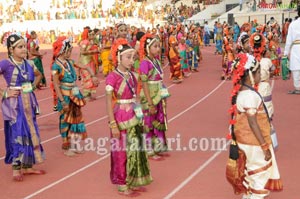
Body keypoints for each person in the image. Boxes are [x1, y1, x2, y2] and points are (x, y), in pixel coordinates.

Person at [229, 53, 283, 198]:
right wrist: (264, 146)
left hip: (245, 141)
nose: (261, 75)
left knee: (251, 175)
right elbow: (253, 123)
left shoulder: (242, 93)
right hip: (254, 143)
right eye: (258, 72)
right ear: (249, 76)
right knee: (260, 179)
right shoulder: (250, 96)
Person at [106, 38, 152, 196]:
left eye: (133, 57)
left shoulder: (133, 75)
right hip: (120, 117)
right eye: (128, 57)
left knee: (135, 149)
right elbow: (108, 102)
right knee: (121, 151)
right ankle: (121, 182)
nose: (132, 61)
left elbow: (136, 98)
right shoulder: (112, 77)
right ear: (118, 57)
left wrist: (141, 115)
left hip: (134, 114)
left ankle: (132, 179)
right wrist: (113, 124)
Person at [0, 34, 45, 181]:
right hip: (14, 104)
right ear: (11, 49)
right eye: (19, 47)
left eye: (24, 46)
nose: (24, 50)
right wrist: (5, 92)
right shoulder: (6, 64)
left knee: (30, 131)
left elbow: (39, 75)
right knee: (17, 132)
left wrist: (32, 86)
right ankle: (16, 168)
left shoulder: (30, 63)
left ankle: (27, 166)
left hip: (28, 102)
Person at [52, 36, 98, 156]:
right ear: (62, 50)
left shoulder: (69, 62)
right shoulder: (56, 66)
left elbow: (85, 66)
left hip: (74, 95)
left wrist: (93, 75)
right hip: (65, 96)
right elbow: (56, 85)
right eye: (68, 51)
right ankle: (66, 145)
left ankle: (73, 144)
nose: (70, 53)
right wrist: (62, 101)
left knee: (75, 120)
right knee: (64, 120)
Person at [139, 34, 170, 160]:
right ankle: (149, 149)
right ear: (147, 48)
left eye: (159, 46)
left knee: (159, 119)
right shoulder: (144, 63)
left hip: (159, 93)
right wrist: (150, 102)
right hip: (150, 94)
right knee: (149, 121)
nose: (158, 49)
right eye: (155, 46)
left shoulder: (156, 61)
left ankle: (158, 146)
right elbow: (144, 83)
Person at [284, 5, 300, 94]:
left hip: (296, 47)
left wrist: (285, 53)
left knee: (296, 67)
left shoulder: (293, 24)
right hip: (296, 46)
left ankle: (298, 87)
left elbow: (289, 39)